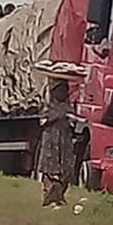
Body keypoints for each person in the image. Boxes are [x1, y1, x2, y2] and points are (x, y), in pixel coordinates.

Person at [37, 78, 76, 206]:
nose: (62, 93)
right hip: (51, 140)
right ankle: (50, 195)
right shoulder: (47, 105)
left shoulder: (68, 106)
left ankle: (60, 196)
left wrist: (71, 119)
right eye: (59, 90)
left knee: (66, 168)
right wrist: (56, 116)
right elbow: (42, 121)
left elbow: (73, 121)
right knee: (50, 168)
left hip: (65, 140)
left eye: (64, 90)